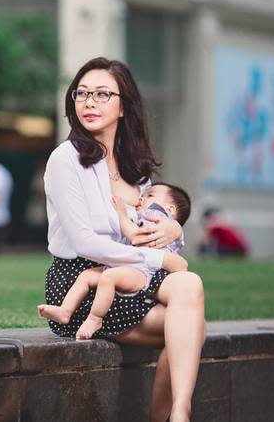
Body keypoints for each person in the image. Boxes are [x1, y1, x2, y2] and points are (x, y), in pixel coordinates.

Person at [42, 57, 205, 422]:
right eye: (81, 94)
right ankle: (176, 415)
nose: (89, 102)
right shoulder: (65, 160)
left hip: (130, 277)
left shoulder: (135, 169)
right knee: (193, 324)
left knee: (188, 293)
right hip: (81, 283)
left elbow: (150, 224)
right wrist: (160, 260)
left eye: (102, 94)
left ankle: (180, 411)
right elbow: (84, 242)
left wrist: (174, 230)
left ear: (123, 106)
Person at [38, 182, 191, 340]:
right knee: (86, 276)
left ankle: (95, 319)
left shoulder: (156, 215)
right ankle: (65, 310)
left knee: (109, 277)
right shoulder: (160, 221)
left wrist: (121, 213)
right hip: (133, 265)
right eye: (142, 195)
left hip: (144, 272)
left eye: (149, 195)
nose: (141, 199)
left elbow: (135, 235)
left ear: (170, 209)